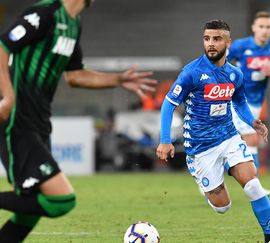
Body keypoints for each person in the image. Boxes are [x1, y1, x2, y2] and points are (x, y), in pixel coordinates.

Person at [0, 0, 157, 242]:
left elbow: (75, 75)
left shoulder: (73, 24)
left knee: (28, 209)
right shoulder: (44, 13)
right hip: (17, 121)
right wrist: (8, 96)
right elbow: (2, 47)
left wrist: (117, 79)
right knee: (60, 200)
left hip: (39, 122)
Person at [156, 19, 270, 243]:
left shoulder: (235, 74)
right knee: (222, 207)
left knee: (253, 185)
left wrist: (252, 122)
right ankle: (216, 180)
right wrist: (165, 140)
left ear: (228, 42)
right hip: (200, 147)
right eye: (207, 39)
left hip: (228, 137)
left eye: (216, 39)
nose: (211, 44)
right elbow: (168, 105)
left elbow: (240, 102)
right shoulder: (192, 72)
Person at [227, 12, 270, 195]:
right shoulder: (241, 46)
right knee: (251, 139)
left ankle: (212, 181)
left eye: (268, 27)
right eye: (261, 27)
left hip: (256, 102)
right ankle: (254, 186)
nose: (264, 31)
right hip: (237, 100)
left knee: (239, 142)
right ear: (254, 28)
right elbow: (220, 62)